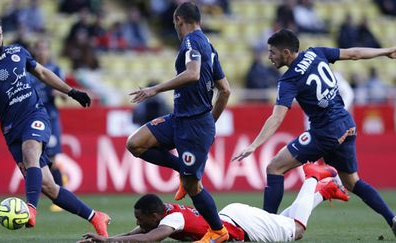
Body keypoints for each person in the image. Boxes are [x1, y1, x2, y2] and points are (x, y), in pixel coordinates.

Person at [232, 28, 396, 236]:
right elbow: (354, 54)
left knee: (274, 168)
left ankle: (266, 228)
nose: (269, 57)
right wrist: (386, 51)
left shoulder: (289, 80)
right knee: (352, 182)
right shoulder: (316, 52)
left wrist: (254, 145)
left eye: (272, 52)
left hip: (324, 132)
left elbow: (277, 118)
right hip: (347, 125)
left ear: (286, 53)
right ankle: (392, 218)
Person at [0, 15, 109, 236]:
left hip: (35, 114)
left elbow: (42, 73)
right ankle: (96, 217)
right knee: (49, 187)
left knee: (30, 150)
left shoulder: (18, 53)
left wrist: (72, 91)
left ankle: (30, 209)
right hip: (11, 130)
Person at [126, 2, 231, 243]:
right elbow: (225, 90)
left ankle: (218, 230)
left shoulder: (192, 42)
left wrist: (156, 89)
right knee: (136, 144)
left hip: (193, 124)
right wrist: (211, 122)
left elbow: (193, 73)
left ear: (178, 20)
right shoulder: (209, 45)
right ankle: (182, 170)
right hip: (179, 119)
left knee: (193, 187)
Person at [78, 163, 349, 242]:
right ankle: (323, 193)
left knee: (297, 231)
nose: (137, 223)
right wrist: (106, 240)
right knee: (286, 225)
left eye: (140, 219)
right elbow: (134, 235)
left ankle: (312, 178)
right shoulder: (164, 215)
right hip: (234, 218)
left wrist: (107, 241)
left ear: (153, 215)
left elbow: (147, 240)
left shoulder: (172, 220)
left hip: (242, 226)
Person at [29, 38, 66, 212]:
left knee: (52, 158)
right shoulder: (28, 69)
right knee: (35, 157)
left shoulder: (56, 69)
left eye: (45, 49)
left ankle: (59, 197)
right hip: (32, 119)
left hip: (50, 119)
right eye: (40, 49)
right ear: (35, 51)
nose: (43, 52)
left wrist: (58, 91)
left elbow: (66, 94)